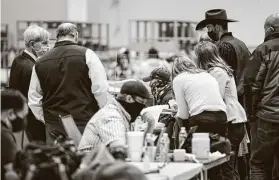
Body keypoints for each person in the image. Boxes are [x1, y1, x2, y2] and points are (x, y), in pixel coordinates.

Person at [28, 23, 110, 143]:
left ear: (57, 37)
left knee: (57, 160)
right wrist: (103, 113)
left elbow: (34, 100)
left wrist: (47, 119)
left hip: (54, 126)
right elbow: (100, 89)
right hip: (84, 122)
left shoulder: (40, 63)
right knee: (85, 160)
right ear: (76, 35)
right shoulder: (88, 55)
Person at [195, 41, 248, 180]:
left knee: (227, 168)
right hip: (234, 121)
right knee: (227, 167)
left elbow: (215, 97)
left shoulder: (217, 72)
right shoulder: (218, 70)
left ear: (202, 57)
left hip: (232, 121)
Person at [78, 80, 153, 157]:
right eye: (141, 102)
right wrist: (140, 152)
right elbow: (119, 149)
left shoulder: (122, 114)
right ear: (129, 98)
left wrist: (150, 125)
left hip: (100, 162)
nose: (143, 107)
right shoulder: (112, 115)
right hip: (92, 165)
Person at [244, 13, 279, 180]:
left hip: (267, 116)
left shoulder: (263, 49)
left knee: (259, 164)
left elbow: (251, 84)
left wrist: (250, 113)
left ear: (270, 29)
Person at [196, 9, 251, 107]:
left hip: (231, 102)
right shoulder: (240, 43)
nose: (208, 31)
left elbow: (220, 78)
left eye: (209, 27)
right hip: (245, 99)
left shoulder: (223, 46)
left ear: (217, 27)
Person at [9, 25, 50, 142]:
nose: (47, 47)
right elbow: (36, 96)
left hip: (22, 115)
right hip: (33, 118)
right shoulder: (31, 67)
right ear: (32, 44)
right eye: (44, 43)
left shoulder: (18, 60)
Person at [1, 89, 29, 180]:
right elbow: (10, 175)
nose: (24, 120)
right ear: (10, 113)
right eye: (23, 116)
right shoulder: (4, 136)